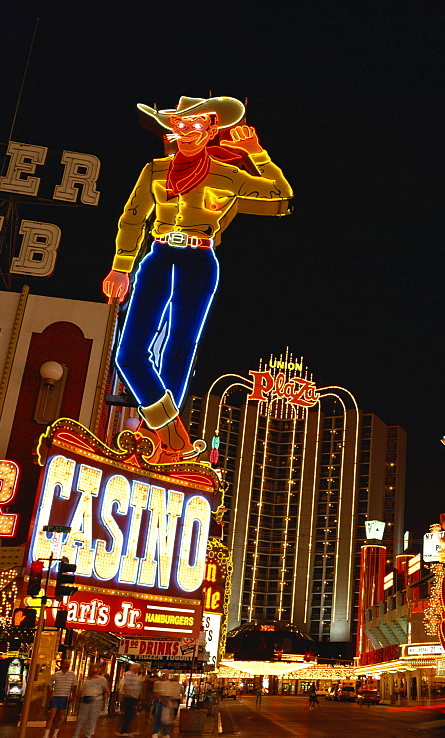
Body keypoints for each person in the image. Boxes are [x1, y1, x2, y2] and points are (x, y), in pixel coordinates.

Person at [102, 96, 292, 463]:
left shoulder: (228, 175)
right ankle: (171, 431)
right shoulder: (155, 170)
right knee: (128, 354)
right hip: (157, 256)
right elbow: (132, 217)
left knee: (179, 350)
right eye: (180, 124)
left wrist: (256, 151)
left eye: (196, 124)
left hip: (200, 259)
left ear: (211, 130)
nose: (186, 131)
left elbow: (282, 197)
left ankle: (158, 440)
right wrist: (121, 266)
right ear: (172, 129)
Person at [65, 664, 110, 738]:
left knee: (92, 718)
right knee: (81, 718)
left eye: (95, 668)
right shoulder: (86, 679)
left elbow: (105, 689)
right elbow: (82, 689)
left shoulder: (102, 679)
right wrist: (77, 695)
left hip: (96, 699)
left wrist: (104, 696)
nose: (94, 670)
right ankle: (75, 737)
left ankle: (88, 736)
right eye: (92, 668)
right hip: (86, 699)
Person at [39, 658, 78, 738]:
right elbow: (49, 684)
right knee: (51, 716)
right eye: (65, 663)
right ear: (62, 665)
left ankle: (54, 736)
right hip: (56, 697)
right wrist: (50, 693)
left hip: (64, 697)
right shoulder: (56, 674)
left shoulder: (72, 674)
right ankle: (45, 736)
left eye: (68, 663)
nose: (67, 665)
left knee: (60, 717)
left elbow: (75, 686)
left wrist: (73, 695)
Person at [116, 662, 144, 737]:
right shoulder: (129, 675)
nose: (138, 670)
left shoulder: (132, 675)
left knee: (130, 714)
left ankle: (126, 730)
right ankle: (124, 730)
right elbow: (127, 686)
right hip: (130, 698)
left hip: (132, 697)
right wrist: (130, 695)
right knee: (128, 714)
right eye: (138, 668)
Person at [152, 672, 183, 738]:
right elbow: (155, 693)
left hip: (167, 700)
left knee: (167, 718)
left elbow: (172, 693)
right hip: (160, 701)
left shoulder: (169, 684)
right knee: (159, 716)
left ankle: (165, 733)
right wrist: (163, 700)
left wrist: (171, 700)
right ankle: (156, 732)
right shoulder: (157, 683)